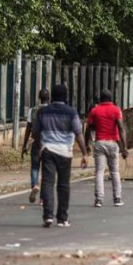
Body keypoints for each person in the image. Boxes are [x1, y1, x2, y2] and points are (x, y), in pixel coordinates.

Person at [32, 85, 88, 228]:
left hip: (48, 150)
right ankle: (62, 218)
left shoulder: (42, 112)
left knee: (47, 183)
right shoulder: (71, 112)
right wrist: (85, 153)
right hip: (65, 152)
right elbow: (78, 133)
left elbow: (36, 132)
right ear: (65, 96)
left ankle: (48, 216)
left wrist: (39, 148)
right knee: (63, 185)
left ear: (52, 97)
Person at [85, 89, 129, 208]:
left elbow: (88, 128)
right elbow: (120, 128)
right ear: (111, 98)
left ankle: (99, 199)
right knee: (114, 171)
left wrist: (86, 145)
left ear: (100, 99)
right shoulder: (116, 110)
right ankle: (117, 198)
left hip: (99, 143)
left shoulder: (95, 110)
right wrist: (124, 148)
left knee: (99, 171)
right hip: (112, 143)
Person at [22, 89, 50, 204]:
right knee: (46, 170)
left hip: (35, 142)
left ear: (39, 98)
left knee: (34, 167)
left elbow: (28, 129)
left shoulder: (32, 110)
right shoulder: (51, 110)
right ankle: (43, 198)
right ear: (48, 98)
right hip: (48, 143)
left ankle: (34, 185)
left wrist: (24, 146)